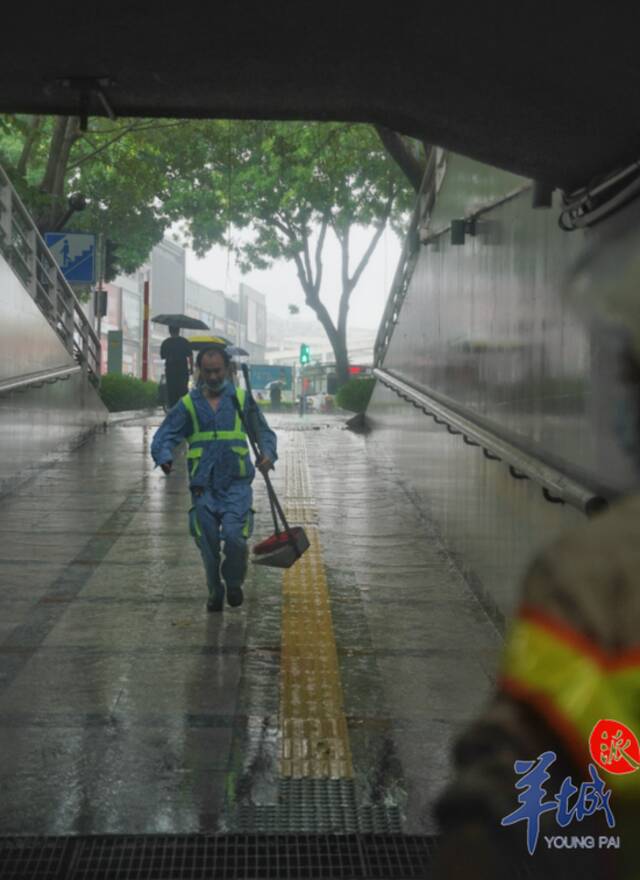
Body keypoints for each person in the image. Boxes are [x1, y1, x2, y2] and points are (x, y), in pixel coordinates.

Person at [151, 346, 277, 611]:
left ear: (228, 370)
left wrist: (267, 454)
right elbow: (165, 434)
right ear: (199, 371)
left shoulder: (241, 400)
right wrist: (163, 455)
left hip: (236, 484)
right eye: (207, 371)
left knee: (235, 537)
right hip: (203, 487)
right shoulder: (188, 404)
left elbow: (263, 432)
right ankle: (214, 590)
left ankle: (232, 582)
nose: (212, 377)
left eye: (217, 371)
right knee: (207, 542)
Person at [160, 325, 193, 408]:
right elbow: (190, 356)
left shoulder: (165, 343)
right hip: (183, 372)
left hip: (170, 373)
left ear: (169, 331)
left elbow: (163, 356)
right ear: (179, 330)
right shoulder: (184, 342)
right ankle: (184, 410)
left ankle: (172, 411)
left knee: (172, 393)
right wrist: (191, 368)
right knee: (183, 393)